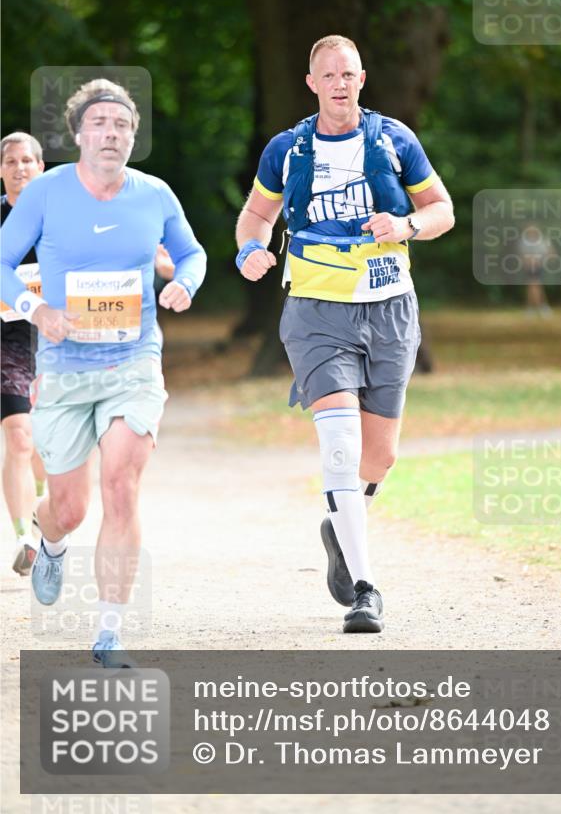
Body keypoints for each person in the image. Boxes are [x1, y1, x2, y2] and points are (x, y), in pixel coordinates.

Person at [236, 35, 454, 634]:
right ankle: (365, 589)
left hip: (389, 309)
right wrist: (250, 250)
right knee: (338, 445)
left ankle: (340, 522)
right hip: (316, 314)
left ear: (362, 79)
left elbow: (442, 209)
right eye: (328, 74)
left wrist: (406, 225)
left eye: (348, 74)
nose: (339, 83)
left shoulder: (394, 140)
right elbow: (256, 215)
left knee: (379, 456)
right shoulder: (287, 150)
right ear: (312, 83)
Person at [0, 79, 206, 665]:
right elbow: (2, 261)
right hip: (64, 367)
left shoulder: (155, 194)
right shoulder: (45, 193)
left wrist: (185, 284)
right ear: (78, 134)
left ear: (132, 136)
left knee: (120, 484)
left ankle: (109, 633)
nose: (110, 133)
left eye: (121, 125)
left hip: (133, 361)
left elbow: (191, 253)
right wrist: (36, 309)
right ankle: (50, 538)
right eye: (99, 123)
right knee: (70, 508)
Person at [1, 132, 46, 575]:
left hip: (54, 341)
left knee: (46, 445)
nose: (19, 168)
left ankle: (43, 515)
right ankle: (23, 539)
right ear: (1, 170)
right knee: (19, 435)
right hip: (6, 342)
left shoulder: (59, 218)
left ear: (41, 167)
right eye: (11, 161)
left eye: (27, 160)